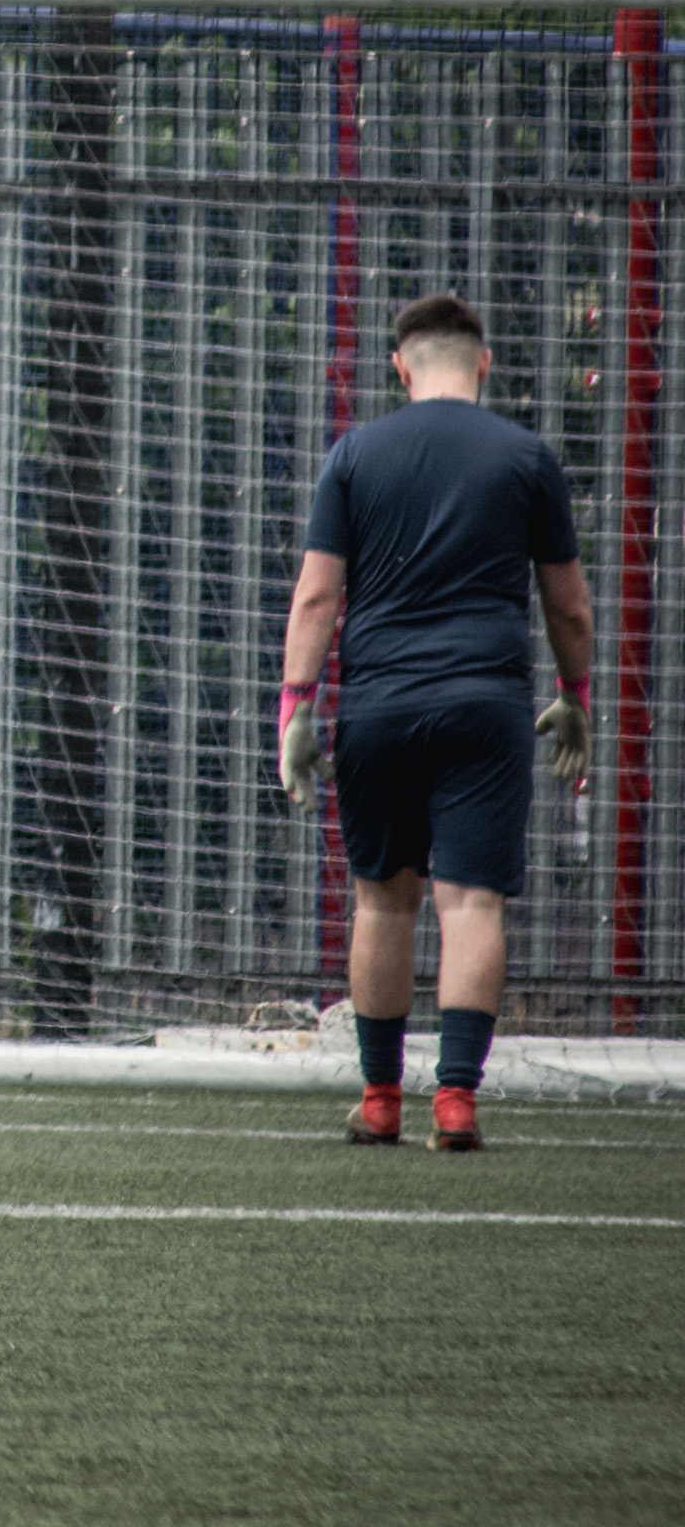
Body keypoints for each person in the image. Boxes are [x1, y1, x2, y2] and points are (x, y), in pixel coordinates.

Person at [277, 292, 592, 1153]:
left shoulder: (354, 455)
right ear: (482, 362)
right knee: (471, 900)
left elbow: (316, 596)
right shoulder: (527, 458)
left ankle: (381, 1100)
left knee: (383, 898)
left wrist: (296, 708)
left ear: (400, 366)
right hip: (486, 707)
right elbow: (567, 604)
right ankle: (455, 1102)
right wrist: (575, 695)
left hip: (378, 704)